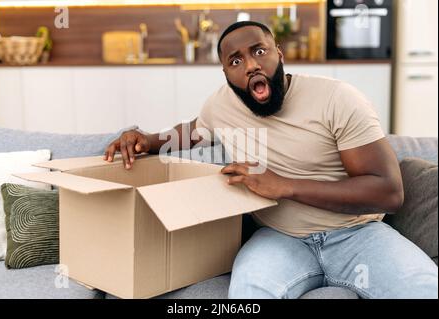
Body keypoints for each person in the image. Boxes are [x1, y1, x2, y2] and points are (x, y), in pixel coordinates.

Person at [104, 21, 438, 299]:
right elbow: (192, 131)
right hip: (280, 237)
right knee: (248, 295)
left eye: (258, 51)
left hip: (356, 233)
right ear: (226, 74)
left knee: (424, 290)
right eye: (235, 61)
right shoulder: (220, 106)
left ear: (278, 53)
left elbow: (388, 193)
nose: (250, 65)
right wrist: (144, 138)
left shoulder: (338, 99)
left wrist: (284, 186)